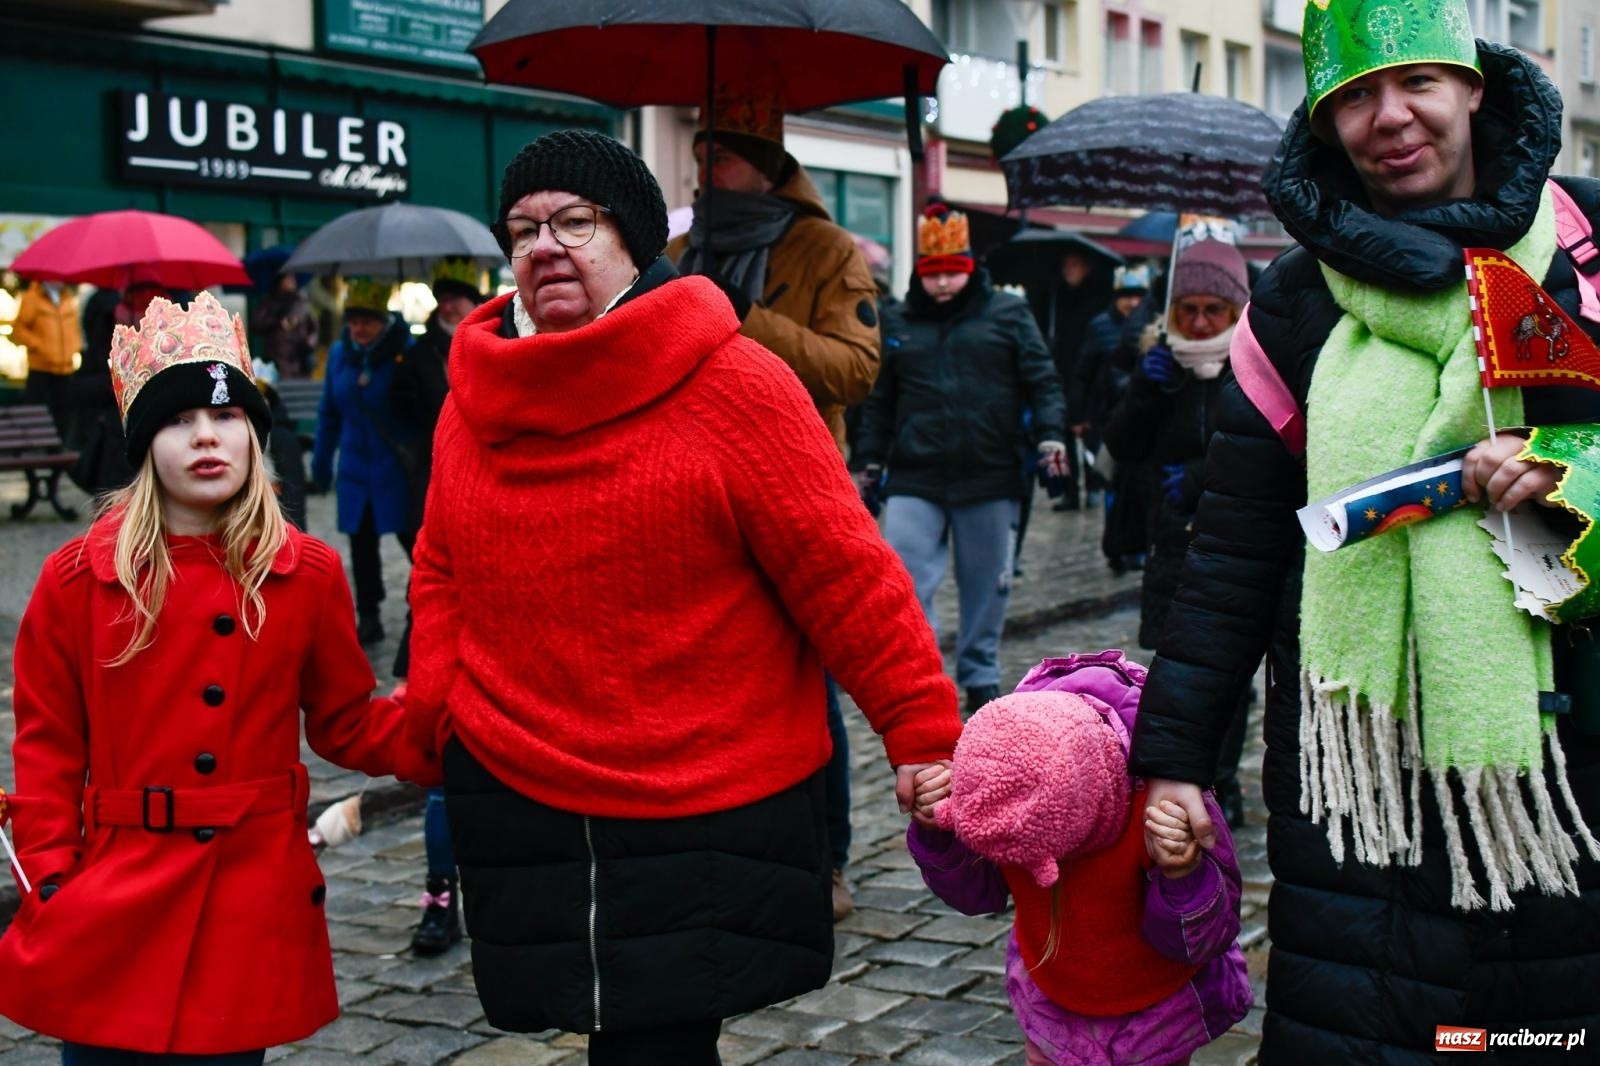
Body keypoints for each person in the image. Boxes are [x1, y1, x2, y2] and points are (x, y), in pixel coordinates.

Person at [401, 129, 960, 1064]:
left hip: (693, 793)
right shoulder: (475, 391)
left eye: (576, 222)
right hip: (519, 783)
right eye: (523, 229)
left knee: (654, 1046)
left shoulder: (736, 381)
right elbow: (441, 564)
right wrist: (436, 708)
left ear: (638, 241)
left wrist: (923, 732)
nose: (545, 247)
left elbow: (846, 573)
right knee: (597, 1032)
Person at [1131, 3, 1600, 1059]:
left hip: (1566, 771)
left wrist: (1570, 480)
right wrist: (1176, 762)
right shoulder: (1294, 305)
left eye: (1417, 84)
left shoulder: (1585, 250)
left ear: (1473, 86)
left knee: (1530, 1037)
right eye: (1351, 96)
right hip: (1359, 797)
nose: (1388, 118)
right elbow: (1233, 559)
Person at [0, 290, 436, 1065]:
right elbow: (45, 754)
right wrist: (54, 885)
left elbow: (346, 722)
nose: (206, 436)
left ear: (255, 436)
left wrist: (451, 728)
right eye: (176, 420)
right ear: (143, 442)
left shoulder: (305, 573)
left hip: (246, 899)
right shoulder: (78, 581)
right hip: (114, 893)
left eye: (228, 416)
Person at [668, 85, 883, 920]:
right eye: (697, 158)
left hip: (797, 484)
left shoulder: (825, 249)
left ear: (761, 169)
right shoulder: (687, 247)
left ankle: (826, 857)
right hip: (697, 480)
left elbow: (855, 369)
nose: (703, 172)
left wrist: (745, 318)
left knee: (809, 684)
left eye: (717, 157)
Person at [908, 654, 1251, 1065]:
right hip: (1053, 998)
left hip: (1155, 1012)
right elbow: (976, 894)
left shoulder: (1160, 798)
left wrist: (1183, 872)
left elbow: (1206, 934)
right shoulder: (997, 783)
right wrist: (942, 833)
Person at [853, 205, 1067, 717]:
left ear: (970, 267)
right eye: (933, 274)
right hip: (916, 473)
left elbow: (1042, 380)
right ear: (918, 274)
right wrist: (868, 463)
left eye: (953, 271)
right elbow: (880, 400)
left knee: (985, 585)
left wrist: (1051, 439)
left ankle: (979, 676)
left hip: (989, 473)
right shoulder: (899, 321)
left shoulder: (1008, 314)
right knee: (905, 580)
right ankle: (919, 678)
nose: (944, 282)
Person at [1104, 240, 1253, 829]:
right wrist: (1143, 390)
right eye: (1186, 308)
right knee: (1175, 666)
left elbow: (1277, 448)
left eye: (1212, 309)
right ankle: (1183, 770)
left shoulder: (1255, 364)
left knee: (1231, 672)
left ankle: (1222, 776)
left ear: (1236, 310)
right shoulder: (1159, 365)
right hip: (1173, 543)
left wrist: (1201, 475)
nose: (1197, 322)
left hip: (1233, 539)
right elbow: (1121, 448)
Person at [389, 256, 486, 956]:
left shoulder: (509, 358)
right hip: (441, 550)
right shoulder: (417, 358)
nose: (454, 310)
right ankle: (439, 892)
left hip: (505, 589)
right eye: (446, 300)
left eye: (462, 300)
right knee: (443, 768)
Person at [310, 277, 420, 646]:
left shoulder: (407, 352)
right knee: (362, 544)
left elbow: (420, 412)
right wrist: (322, 464)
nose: (359, 329)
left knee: (417, 543)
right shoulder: (341, 355)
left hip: (397, 468)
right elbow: (329, 413)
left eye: (367, 322)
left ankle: (422, 607)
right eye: (353, 321)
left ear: (383, 321)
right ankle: (369, 613)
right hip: (356, 468)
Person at [11, 279, 81, 438]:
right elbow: (19, 329)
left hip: (65, 366)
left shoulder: (66, 297)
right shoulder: (32, 298)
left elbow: (73, 327)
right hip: (41, 366)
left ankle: (57, 448)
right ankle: (31, 445)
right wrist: (37, 345)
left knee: (63, 411)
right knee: (34, 410)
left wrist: (74, 348)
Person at [251, 273, 318, 378]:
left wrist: (307, 345)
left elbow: (313, 329)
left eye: (293, 277)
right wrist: (277, 320)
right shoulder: (269, 303)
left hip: (299, 363)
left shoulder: (301, 303)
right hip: (275, 363)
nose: (291, 280)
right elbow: (257, 324)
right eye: (288, 278)